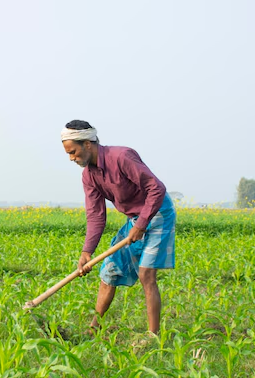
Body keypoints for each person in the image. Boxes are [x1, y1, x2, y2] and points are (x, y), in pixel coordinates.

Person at [61, 119, 176, 336]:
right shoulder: (89, 176)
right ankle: (92, 331)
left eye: (73, 152)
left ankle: (153, 336)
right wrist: (87, 252)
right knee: (109, 271)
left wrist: (142, 224)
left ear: (87, 144)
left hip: (159, 213)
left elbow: (156, 188)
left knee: (146, 274)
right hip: (135, 219)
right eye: (68, 153)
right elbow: (96, 215)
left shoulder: (122, 157)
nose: (71, 158)